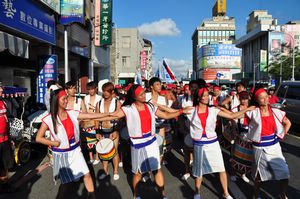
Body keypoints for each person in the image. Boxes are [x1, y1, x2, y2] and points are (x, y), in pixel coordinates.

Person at [98, 85, 192, 199]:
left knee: (157, 169)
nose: (144, 95)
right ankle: (136, 195)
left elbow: (166, 115)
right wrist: (90, 117)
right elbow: (110, 115)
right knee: (138, 173)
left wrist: (181, 111)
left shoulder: (150, 106)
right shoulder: (128, 109)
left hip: (151, 142)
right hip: (137, 145)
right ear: (134, 96)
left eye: (144, 93)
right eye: (141, 94)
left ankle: (162, 195)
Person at [36, 88, 110, 198]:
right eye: (63, 99)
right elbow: (38, 138)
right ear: (56, 101)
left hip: (76, 151)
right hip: (62, 154)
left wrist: (111, 114)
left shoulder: (72, 113)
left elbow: (91, 116)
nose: (66, 101)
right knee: (66, 184)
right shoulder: (49, 119)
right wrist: (52, 142)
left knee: (87, 174)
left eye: (66, 98)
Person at [186, 86, 255, 199]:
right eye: (204, 96)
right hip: (199, 144)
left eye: (208, 95)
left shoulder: (213, 110)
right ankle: (197, 192)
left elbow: (232, 115)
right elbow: (173, 112)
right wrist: (156, 106)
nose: (207, 97)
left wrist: (247, 110)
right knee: (199, 170)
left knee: (221, 169)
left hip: (213, 144)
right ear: (198, 98)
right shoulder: (191, 110)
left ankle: (226, 193)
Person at [246, 88, 291, 199]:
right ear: (257, 100)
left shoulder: (276, 111)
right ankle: (256, 195)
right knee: (259, 176)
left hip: (274, 146)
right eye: (262, 97)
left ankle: (282, 194)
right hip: (259, 147)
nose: (266, 99)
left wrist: (282, 134)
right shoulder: (252, 112)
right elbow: (237, 117)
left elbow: (287, 122)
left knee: (285, 173)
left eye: (267, 96)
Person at [95, 82, 121, 180]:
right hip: (102, 130)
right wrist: (97, 132)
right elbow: (96, 118)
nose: (105, 93)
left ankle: (115, 171)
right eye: (104, 91)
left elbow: (119, 117)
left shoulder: (116, 102)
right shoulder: (99, 103)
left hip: (113, 129)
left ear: (112, 91)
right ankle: (105, 170)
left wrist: (116, 130)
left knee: (115, 151)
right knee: (103, 151)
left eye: (107, 91)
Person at [229, 91, 252, 183]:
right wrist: (234, 132)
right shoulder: (236, 108)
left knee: (247, 156)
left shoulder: (252, 108)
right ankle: (233, 173)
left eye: (246, 98)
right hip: (239, 134)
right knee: (236, 155)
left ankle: (243, 174)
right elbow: (232, 120)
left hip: (250, 135)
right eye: (242, 99)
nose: (244, 101)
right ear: (239, 99)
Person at [82, 81, 102, 165]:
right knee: (89, 140)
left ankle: (97, 157)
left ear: (96, 89)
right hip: (88, 122)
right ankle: (91, 157)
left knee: (97, 140)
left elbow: (101, 110)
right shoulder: (85, 98)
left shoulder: (100, 98)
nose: (91, 91)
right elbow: (84, 110)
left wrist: (94, 109)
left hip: (97, 120)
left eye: (92, 89)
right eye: (89, 89)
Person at [0, 84, 15, 193]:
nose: (1, 89)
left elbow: (6, 122)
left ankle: (5, 185)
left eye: (1, 88)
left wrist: (10, 138)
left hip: (5, 140)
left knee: (5, 164)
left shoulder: (3, 102)